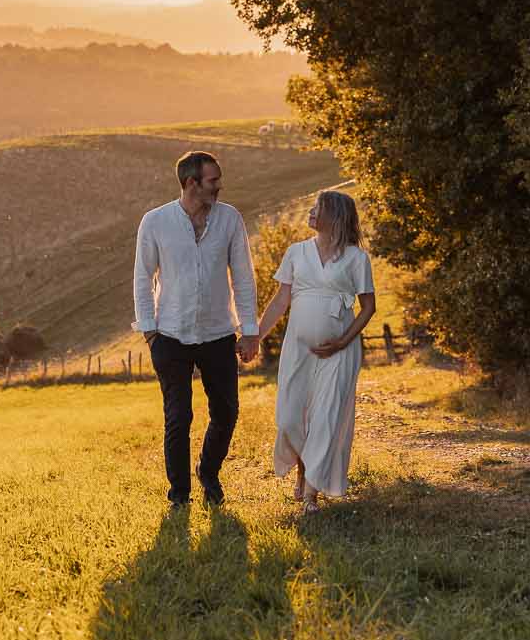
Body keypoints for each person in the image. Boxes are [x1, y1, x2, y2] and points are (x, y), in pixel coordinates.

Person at [133, 150, 261, 507]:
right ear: (192, 183)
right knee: (178, 416)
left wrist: (249, 330)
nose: (219, 186)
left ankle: (208, 472)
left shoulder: (230, 219)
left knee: (226, 412)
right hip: (170, 334)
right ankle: (180, 495)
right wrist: (149, 330)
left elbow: (244, 277)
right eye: (213, 180)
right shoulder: (156, 222)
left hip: (219, 333)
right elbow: (142, 277)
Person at [255, 190, 376, 513]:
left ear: (334, 216)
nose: (309, 212)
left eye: (316, 208)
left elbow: (368, 307)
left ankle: (310, 494)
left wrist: (343, 341)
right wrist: (254, 335)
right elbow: (281, 301)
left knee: (325, 419)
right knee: (290, 417)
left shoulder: (356, 258)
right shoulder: (296, 252)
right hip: (298, 348)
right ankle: (302, 469)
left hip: (340, 352)